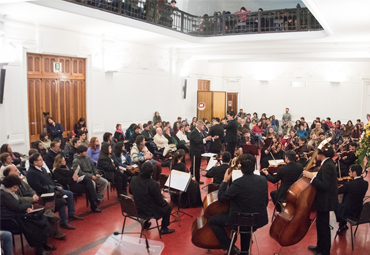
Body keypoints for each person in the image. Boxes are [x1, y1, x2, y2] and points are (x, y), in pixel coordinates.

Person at [209, 154, 268, 255]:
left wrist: (224, 181)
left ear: (241, 169)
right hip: (257, 219)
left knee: (212, 220)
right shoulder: (263, 180)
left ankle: (230, 247)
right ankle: (244, 251)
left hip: (239, 221)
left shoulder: (238, 183)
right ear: (254, 167)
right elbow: (265, 201)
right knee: (247, 218)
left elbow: (222, 197)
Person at [3, 165, 66, 241]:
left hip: (34, 198)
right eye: (15, 170)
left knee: (53, 197)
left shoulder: (20, 180)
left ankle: (48, 211)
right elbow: (19, 199)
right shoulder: (9, 185)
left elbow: (30, 188)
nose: (18, 172)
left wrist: (34, 195)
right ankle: (55, 230)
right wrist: (31, 199)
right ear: (9, 173)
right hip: (28, 202)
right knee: (43, 209)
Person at [26, 153, 83, 230]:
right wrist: (52, 188)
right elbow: (38, 187)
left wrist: (56, 186)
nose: (43, 161)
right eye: (40, 160)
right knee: (61, 200)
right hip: (44, 194)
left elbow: (50, 180)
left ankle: (71, 214)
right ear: (35, 162)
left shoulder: (42, 169)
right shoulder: (31, 173)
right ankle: (63, 221)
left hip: (52, 189)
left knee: (69, 194)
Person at [0, 175, 54, 255]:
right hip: (10, 219)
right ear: (9, 186)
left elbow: (19, 203)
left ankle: (43, 243)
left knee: (41, 217)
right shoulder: (4, 194)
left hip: (17, 214)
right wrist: (28, 206)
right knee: (34, 222)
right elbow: (16, 207)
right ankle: (39, 249)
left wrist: (26, 208)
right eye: (15, 187)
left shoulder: (9, 192)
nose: (16, 189)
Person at [303, 142, 338, 255]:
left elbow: (325, 185)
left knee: (324, 227)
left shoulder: (327, 165)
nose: (316, 154)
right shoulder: (327, 163)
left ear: (321, 153)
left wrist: (311, 177)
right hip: (323, 200)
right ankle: (319, 246)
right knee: (320, 225)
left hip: (325, 201)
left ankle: (324, 251)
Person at [130, 161, 175, 235]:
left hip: (136, 208)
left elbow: (131, 192)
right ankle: (164, 228)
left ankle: (145, 223)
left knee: (145, 201)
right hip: (148, 211)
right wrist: (167, 201)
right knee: (168, 207)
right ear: (152, 173)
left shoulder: (134, 179)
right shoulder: (153, 184)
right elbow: (160, 202)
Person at [335, 164, 368, 234]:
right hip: (359, 210)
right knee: (346, 199)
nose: (348, 173)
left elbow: (337, 192)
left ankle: (342, 223)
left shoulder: (349, 185)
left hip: (348, 212)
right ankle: (343, 225)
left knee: (335, 202)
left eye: (350, 171)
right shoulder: (365, 183)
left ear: (354, 173)